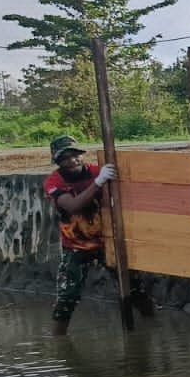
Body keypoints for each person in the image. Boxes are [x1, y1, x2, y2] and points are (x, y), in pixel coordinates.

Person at [43, 136, 117, 336]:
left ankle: (147, 321)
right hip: (76, 246)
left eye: (75, 155)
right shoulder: (54, 182)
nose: (72, 160)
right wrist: (99, 182)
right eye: (65, 158)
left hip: (106, 242)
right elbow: (74, 206)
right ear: (58, 162)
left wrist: (103, 179)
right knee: (67, 296)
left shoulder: (94, 171)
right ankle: (58, 339)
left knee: (134, 288)